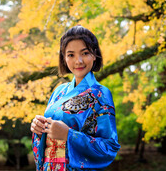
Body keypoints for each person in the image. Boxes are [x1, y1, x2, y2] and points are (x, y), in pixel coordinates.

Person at [30, 25, 120, 171]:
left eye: (84, 53)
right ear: (64, 58)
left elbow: (109, 147)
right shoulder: (59, 91)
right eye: (71, 55)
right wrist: (38, 129)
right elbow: (46, 139)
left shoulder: (100, 94)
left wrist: (69, 135)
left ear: (94, 54)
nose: (78, 61)